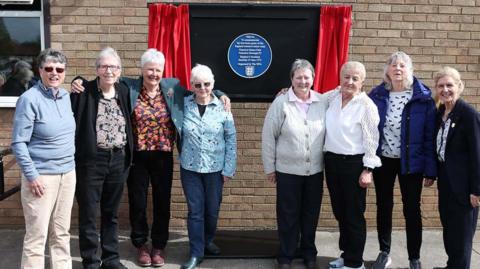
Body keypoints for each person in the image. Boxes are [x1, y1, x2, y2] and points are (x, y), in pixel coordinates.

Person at [71, 48, 230, 267]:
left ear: (162, 71)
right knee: (138, 202)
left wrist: (220, 93)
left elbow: (200, 90)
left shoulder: (172, 87)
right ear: (142, 70)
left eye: (157, 70)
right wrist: (77, 80)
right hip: (137, 156)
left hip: (163, 156)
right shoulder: (129, 86)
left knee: (162, 202)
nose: (153, 74)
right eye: (149, 70)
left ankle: (158, 246)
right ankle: (141, 245)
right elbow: (102, 79)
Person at [369, 51, 436, 269]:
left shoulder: (423, 97)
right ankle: (384, 251)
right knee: (384, 205)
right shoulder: (376, 95)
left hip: (412, 162)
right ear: (387, 70)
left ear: (410, 69)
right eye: (394, 65)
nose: (398, 69)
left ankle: (414, 257)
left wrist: (430, 169)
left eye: (402, 65)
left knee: (412, 209)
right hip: (384, 160)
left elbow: (429, 136)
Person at [11, 48, 76, 269]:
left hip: (67, 174)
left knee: (61, 233)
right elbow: (19, 142)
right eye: (48, 68)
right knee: (36, 236)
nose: (54, 73)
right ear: (40, 70)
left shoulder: (66, 97)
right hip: (41, 177)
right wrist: (32, 176)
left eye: (59, 69)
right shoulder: (29, 99)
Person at [70, 47, 133, 269]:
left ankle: (111, 259)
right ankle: (91, 261)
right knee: (88, 212)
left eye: (114, 67)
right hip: (91, 161)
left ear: (120, 71)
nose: (109, 70)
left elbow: (155, 82)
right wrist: (76, 80)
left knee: (111, 213)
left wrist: (220, 94)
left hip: (118, 160)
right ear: (97, 69)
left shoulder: (123, 91)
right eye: (104, 66)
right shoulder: (83, 91)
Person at [262, 59, 327, 269]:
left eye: (307, 77)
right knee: (288, 215)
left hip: (315, 171)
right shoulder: (281, 103)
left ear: (313, 79)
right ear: (291, 79)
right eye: (298, 77)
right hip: (287, 171)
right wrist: (269, 167)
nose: (303, 81)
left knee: (310, 214)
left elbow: (342, 91)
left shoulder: (322, 101)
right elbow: (268, 137)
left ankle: (308, 252)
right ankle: (286, 255)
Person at [324, 61, 381, 269]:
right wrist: (286, 92)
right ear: (340, 78)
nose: (349, 81)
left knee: (353, 214)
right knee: (340, 212)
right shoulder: (331, 97)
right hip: (331, 161)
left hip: (354, 165)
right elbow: (309, 99)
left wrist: (368, 170)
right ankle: (346, 254)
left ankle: (356, 263)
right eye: (346, 77)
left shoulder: (366, 106)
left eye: (355, 78)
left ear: (362, 82)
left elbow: (372, 140)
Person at [179, 64, 236, 269]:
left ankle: (208, 240)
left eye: (207, 84)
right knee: (195, 211)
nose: (203, 88)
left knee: (212, 210)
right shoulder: (183, 104)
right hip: (190, 168)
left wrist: (228, 169)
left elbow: (231, 138)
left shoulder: (223, 107)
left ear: (213, 84)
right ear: (191, 85)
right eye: (198, 84)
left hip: (215, 169)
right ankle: (196, 252)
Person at [433, 66, 480, 269]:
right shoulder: (441, 113)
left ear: (459, 86)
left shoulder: (469, 115)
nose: (445, 90)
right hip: (446, 183)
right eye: (441, 86)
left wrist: (476, 190)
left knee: (462, 238)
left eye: (449, 85)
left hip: (465, 188)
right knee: (450, 231)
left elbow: (478, 155)